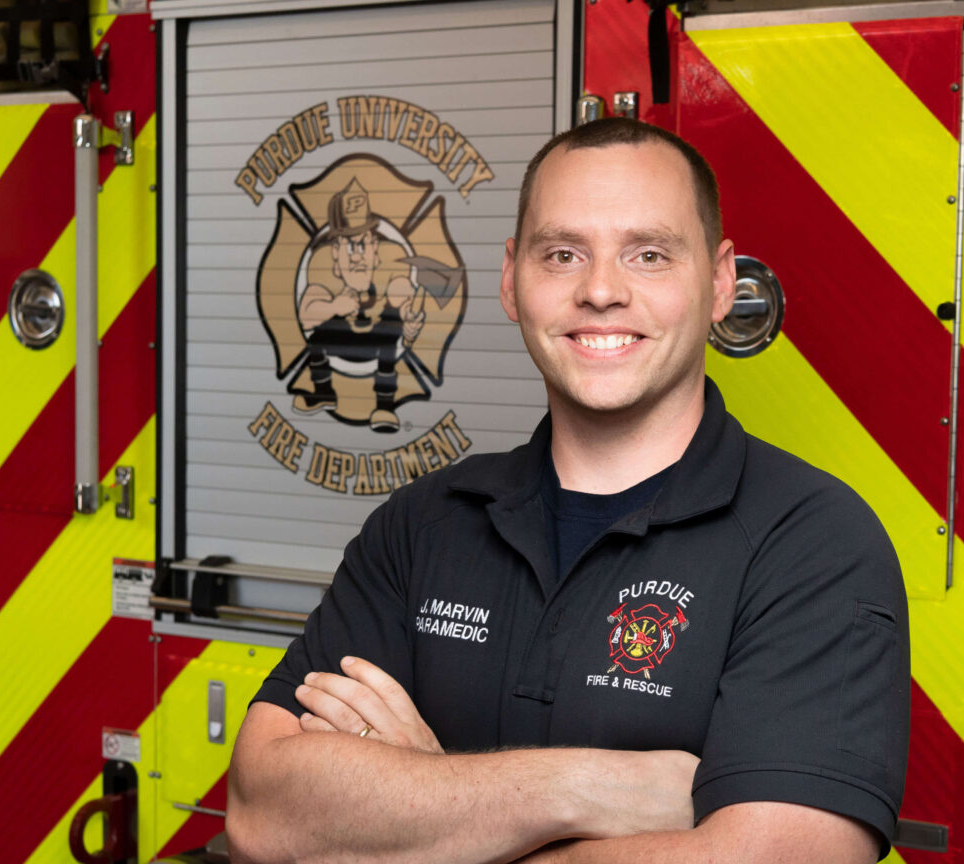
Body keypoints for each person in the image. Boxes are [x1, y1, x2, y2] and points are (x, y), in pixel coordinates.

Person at [228, 117, 910, 863]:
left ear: (720, 284)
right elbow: (264, 814)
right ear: (513, 279)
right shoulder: (423, 525)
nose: (601, 291)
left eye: (649, 254)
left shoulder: (813, 543)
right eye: (563, 254)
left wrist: (420, 809)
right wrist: (590, 790)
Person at [295, 178, 428, 431]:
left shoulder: (392, 259)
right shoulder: (320, 263)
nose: (357, 256)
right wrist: (335, 305)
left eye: (363, 244)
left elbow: (402, 293)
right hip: (344, 341)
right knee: (316, 340)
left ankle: (385, 406)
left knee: (391, 332)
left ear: (375, 247)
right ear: (335, 251)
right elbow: (306, 315)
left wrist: (409, 319)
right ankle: (323, 391)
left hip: (378, 343)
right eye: (349, 245)